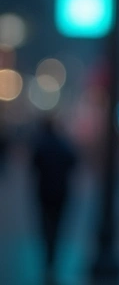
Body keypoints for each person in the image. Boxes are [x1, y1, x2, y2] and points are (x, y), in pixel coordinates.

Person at [31, 115, 78, 282]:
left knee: (46, 227)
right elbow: (73, 163)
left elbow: (34, 167)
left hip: (44, 194)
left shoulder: (41, 145)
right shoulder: (62, 144)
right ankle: (53, 257)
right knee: (57, 227)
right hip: (61, 194)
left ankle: (48, 258)